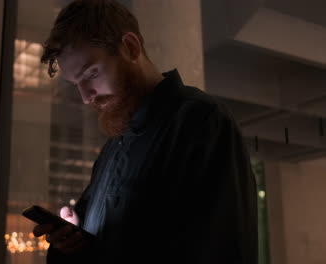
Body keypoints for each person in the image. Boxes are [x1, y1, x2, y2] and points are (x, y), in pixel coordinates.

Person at [32, 0, 258, 263]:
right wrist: (70, 244)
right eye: (76, 84)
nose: (85, 97)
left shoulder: (203, 121)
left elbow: (224, 249)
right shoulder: (112, 148)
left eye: (91, 74)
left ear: (130, 47)